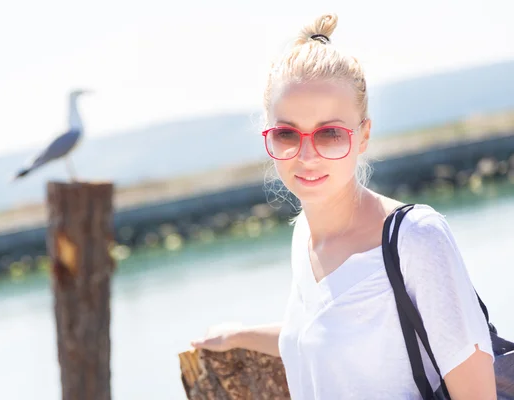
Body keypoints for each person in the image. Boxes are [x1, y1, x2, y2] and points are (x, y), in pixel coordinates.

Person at [190, 13, 497, 399]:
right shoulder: (304, 236)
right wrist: (240, 335)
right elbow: (325, 336)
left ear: (363, 135)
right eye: (287, 134)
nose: (307, 155)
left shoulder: (416, 239)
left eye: (330, 134)